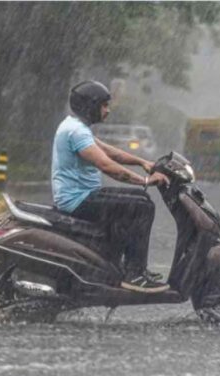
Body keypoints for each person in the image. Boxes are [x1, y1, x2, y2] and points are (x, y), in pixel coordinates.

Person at [51, 80, 170, 293]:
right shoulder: (76, 132)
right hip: (78, 200)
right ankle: (134, 273)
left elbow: (110, 152)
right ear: (90, 106)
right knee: (142, 207)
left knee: (140, 200)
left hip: (84, 195)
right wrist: (143, 181)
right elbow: (107, 165)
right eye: (104, 105)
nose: (107, 110)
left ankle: (124, 267)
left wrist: (143, 162)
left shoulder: (75, 126)